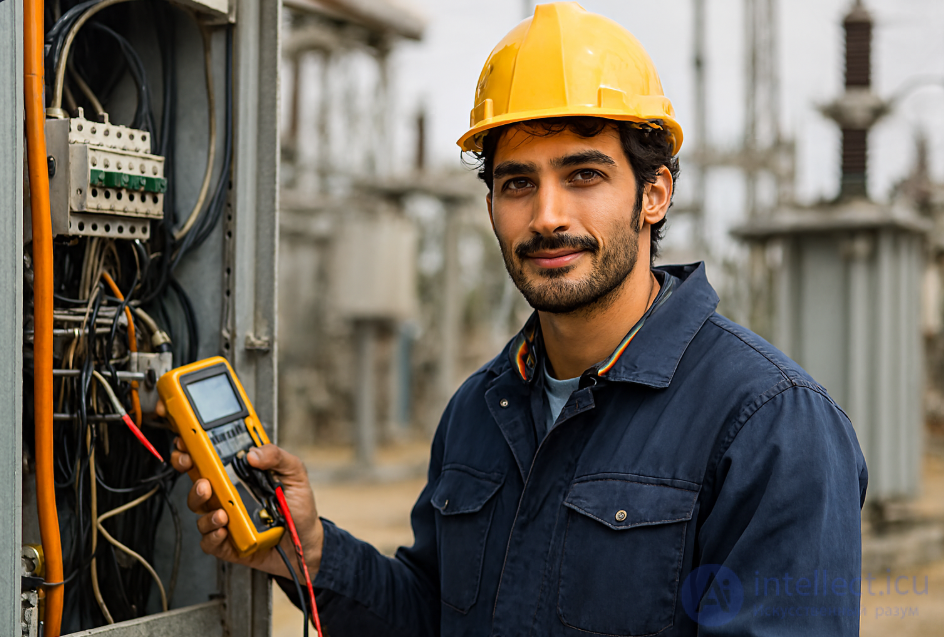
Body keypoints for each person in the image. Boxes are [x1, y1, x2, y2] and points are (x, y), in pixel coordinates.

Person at [170, 3, 868, 635]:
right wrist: (311, 548)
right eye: (517, 183)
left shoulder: (772, 425)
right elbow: (429, 615)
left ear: (654, 193)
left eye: (584, 175)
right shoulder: (481, 409)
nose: (547, 215)